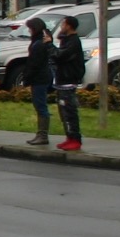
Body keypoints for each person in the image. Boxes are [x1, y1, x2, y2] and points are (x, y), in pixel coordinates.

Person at [53, 15, 86, 151]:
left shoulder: (73, 42)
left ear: (69, 26)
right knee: (63, 112)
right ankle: (69, 136)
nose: (61, 26)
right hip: (61, 80)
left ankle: (75, 138)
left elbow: (61, 56)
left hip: (68, 80)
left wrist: (50, 45)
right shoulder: (65, 40)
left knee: (70, 111)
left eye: (63, 24)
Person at [23, 17, 56, 146]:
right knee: (40, 105)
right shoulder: (41, 41)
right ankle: (41, 133)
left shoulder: (39, 44)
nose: (29, 31)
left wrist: (27, 77)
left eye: (30, 28)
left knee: (40, 105)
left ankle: (43, 134)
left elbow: (34, 63)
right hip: (42, 76)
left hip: (39, 78)